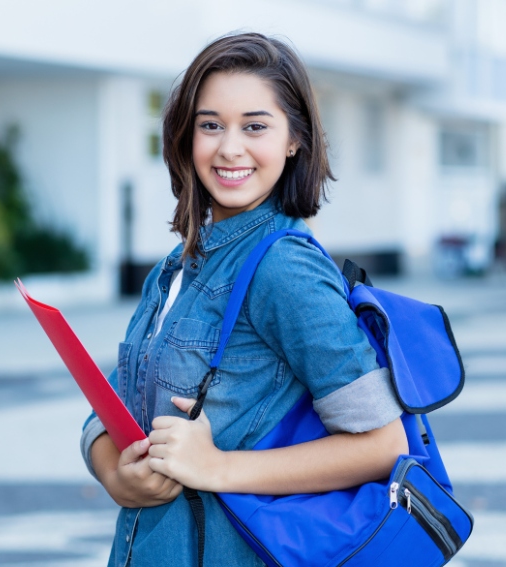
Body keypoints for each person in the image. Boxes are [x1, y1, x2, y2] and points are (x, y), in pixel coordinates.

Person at [80, 32, 408, 567]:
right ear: (186, 136)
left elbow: (382, 445)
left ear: (294, 140)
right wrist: (115, 473)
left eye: (255, 126)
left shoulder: (285, 267)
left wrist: (218, 468)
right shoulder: (176, 267)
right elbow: (117, 400)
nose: (230, 147)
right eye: (211, 125)